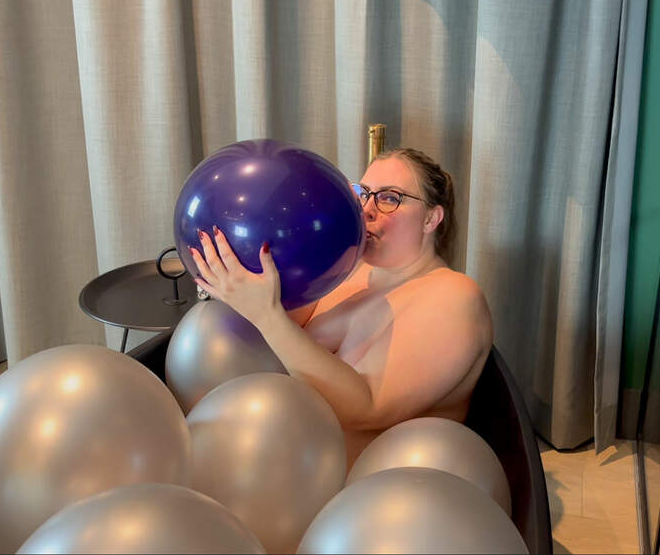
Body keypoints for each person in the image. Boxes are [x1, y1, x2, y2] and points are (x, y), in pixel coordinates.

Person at [189, 148, 494, 468]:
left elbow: (366, 408)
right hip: (268, 449)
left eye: (389, 198)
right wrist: (236, 272)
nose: (367, 210)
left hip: (349, 485)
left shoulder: (455, 296)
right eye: (364, 194)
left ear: (431, 218)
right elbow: (279, 335)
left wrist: (267, 315)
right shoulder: (353, 268)